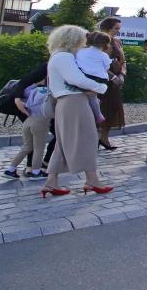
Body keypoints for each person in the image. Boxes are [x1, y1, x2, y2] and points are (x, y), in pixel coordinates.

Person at [41, 25, 113, 197]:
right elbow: (77, 79)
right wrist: (101, 87)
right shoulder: (64, 57)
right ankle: (92, 180)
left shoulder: (57, 56)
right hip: (74, 101)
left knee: (63, 143)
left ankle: (51, 182)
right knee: (88, 139)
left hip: (65, 102)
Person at [4, 82, 50, 179]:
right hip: (41, 121)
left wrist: (36, 83)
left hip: (28, 120)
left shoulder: (34, 90)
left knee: (27, 147)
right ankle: (36, 172)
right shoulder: (52, 92)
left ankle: (10, 169)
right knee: (39, 148)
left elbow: (23, 89)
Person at [96, 17, 126, 151]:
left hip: (115, 83)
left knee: (112, 109)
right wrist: (112, 76)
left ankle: (104, 137)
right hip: (101, 80)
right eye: (116, 28)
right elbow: (96, 62)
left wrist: (122, 74)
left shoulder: (117, 42)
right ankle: (94, 137)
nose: (118, 31)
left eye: (119, 29)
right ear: (107, 28)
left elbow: (123, 60)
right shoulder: (97, 41)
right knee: (100, 109)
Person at [74, 31, 112, 126]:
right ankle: (98, 115)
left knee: (89, 96)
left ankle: (93, 111)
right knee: (93, 96)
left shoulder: (80, 51)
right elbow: (107, 67)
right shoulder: (103, 55)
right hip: (99, 79)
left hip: (83, 77)